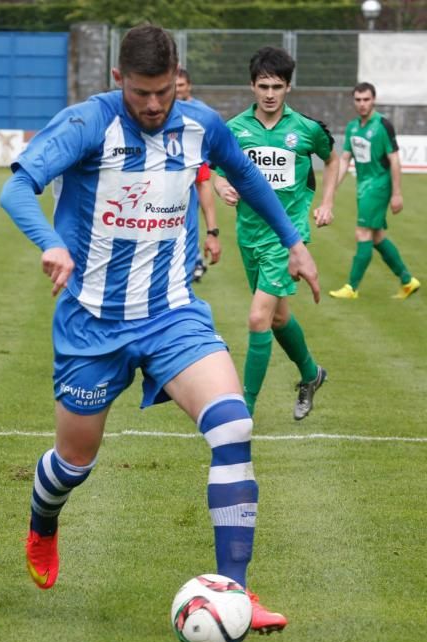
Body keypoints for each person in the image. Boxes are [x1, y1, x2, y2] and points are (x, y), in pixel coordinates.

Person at [0, 25, 320, 634]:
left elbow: (247, 177)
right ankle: (43, 522)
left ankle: (236, 592)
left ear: (178, 79)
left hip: (172, 312)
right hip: (91, 322)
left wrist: (294, 242)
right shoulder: (87, 123)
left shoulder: (201, 123)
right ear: (119, 80)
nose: (153, 105)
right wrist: (49, 243)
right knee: (75, 459)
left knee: (234, 426)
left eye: (164, 92)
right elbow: (17, 187)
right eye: (141, 93)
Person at [212, 47, 337, 420]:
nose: (270, 93)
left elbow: (334, 159)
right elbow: (213, 169)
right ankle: (311, 375)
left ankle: (242, 410)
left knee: (257, 319)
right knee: (279, 318)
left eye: (277, 86)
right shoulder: (233, 129)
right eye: (263, 85)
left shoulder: (306, 130)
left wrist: (327, 201)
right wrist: (220, 186)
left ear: (288, 88)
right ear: (252, 86)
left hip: (288, 238)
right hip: (249, 234)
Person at [329, 82, 419, 300]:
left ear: (374, 100)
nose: (362, 104)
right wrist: (331, 189)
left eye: (366, 99)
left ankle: (351, 287)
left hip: (379, 186)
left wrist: (397, 193)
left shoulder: (383, 125)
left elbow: (395, 160)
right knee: (377, 236)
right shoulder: (352, 127)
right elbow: (345, 160)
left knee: (363, 233)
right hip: (363, 186)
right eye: (358, 100)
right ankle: (407, 280)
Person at [176, 67, 222, 282]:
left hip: (194, 175)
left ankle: (192, 262)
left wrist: (213, 232)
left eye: (181, 85)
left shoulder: (202, 114)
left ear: (189, 86)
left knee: (186, 222)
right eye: (173, 86)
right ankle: (194, 262)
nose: (177, 90)